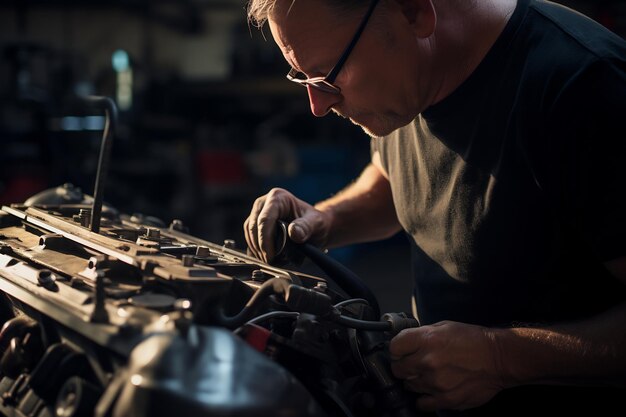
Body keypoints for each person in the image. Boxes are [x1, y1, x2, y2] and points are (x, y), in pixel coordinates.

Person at [243, 0, 626, 415]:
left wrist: (500, 359)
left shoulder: (584, 87)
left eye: (328, 75)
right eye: (303, 78)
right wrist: (326, 219)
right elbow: (396, 180)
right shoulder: (409, 78)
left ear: (413, 12)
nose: (318, 105)